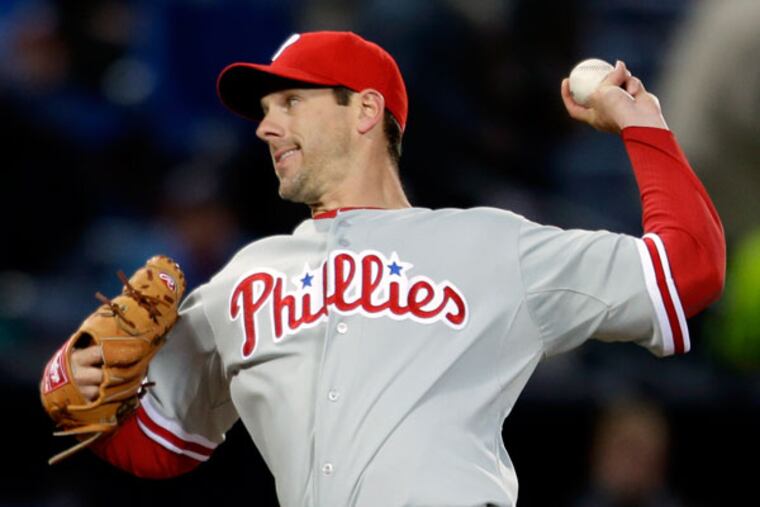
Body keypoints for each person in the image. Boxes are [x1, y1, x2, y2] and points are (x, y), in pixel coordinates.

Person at [49, 31, 725, 506]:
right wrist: (69, 376)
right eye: (264, 111)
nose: (265, 126)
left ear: (366, 110)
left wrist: (642, 123)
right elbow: (160, 444)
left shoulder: (491, 246)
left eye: (289, 102)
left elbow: (688, 267)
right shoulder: (243, 279)